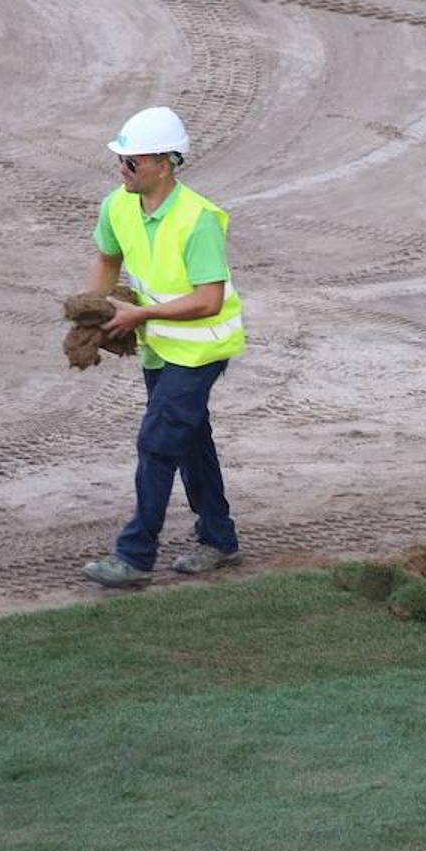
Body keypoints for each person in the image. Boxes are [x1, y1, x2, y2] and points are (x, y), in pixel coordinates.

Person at [80, 106, 246, 589]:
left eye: (131, 162)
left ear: (163, 163)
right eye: (120, 161)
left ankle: (134, 556)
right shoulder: (117, 205)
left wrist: (140, 315)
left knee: (157, 444)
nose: (122, 169)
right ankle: (219, 540)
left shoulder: (198, 220)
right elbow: (107, 258)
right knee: (191, 441)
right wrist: (95, 314)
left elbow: (208, 299)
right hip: (161, 348)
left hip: (200, 350)